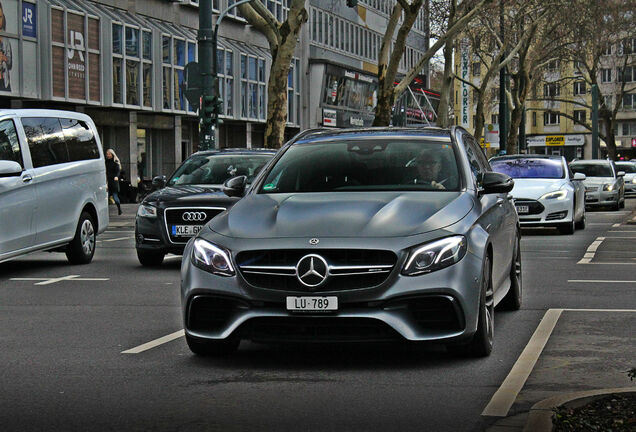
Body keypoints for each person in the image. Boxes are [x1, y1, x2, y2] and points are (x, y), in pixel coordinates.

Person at [105, 149, 122, 215]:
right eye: (107, 154)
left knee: (115, 196)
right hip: (107, 181)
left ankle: (119, 209)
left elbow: (118, 171)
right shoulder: (106, 162)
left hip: (114, 181)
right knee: (106, 197)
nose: (108, 155)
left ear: (112, 154)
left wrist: (116, 177)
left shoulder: (115, 161)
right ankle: (105, 212)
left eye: (109, 154)